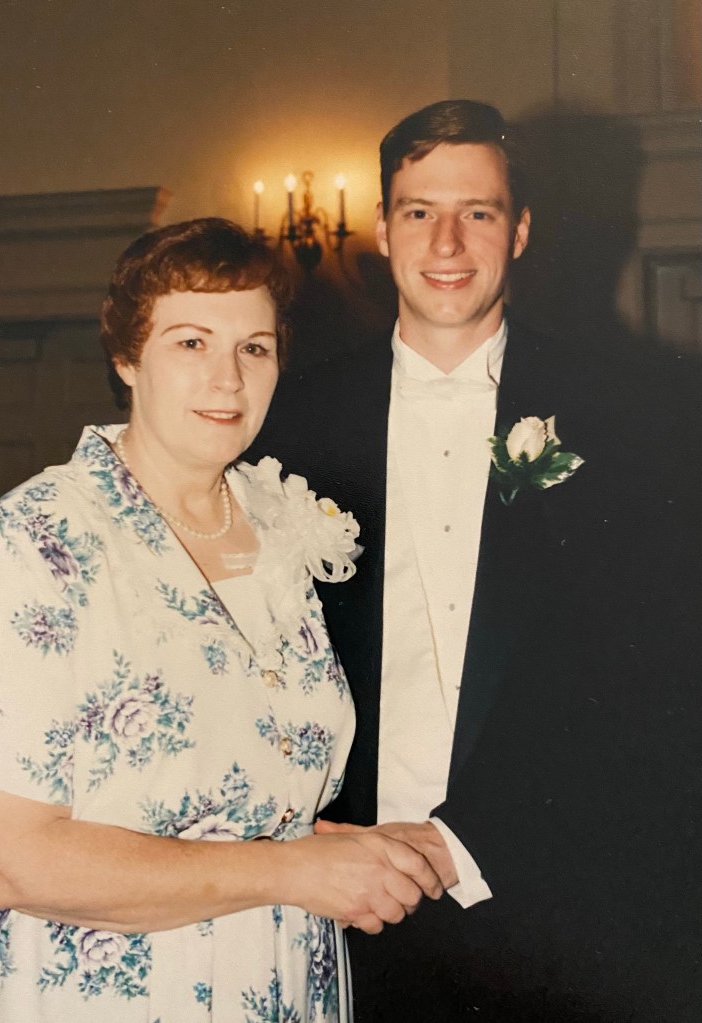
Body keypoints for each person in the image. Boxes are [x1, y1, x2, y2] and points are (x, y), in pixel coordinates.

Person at [0, 218, 448, 1023]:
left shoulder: (286, 525)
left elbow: (240, 796)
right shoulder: (34, 540)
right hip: (112, 995)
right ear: (127, 357)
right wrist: (287, 871)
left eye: (254, 347)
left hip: (284, 978)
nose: (228, 380)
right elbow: (7, 858)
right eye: (191, 342)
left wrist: (337, 847)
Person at [252, 102, 702, 1021]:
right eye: (419, 211)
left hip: (558, 914)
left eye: (480, 212)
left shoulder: (636, 420)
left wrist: (467, 842)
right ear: (380, 229)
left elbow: (656, 678)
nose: (447, 241)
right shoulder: (289, 421)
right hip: (339, 904)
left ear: (522, 230)